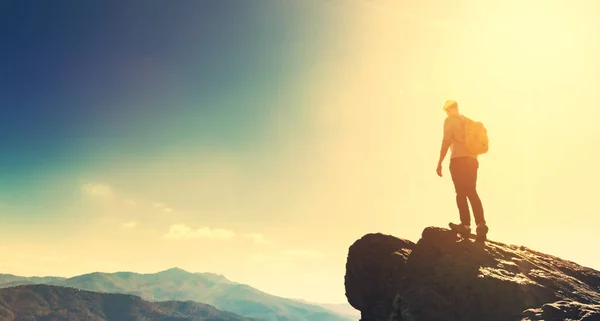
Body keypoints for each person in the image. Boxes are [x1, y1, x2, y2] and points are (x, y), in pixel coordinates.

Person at [436, 100, 489, 242]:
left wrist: (440, 161)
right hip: (472, 160)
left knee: (461, 193)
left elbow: (446, 140)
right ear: (457, 108)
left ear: (448, 110)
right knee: (472, 191)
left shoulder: (450, 120)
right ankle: (481, 225)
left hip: (458, 160)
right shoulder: (468, 121)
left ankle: (465, 226)